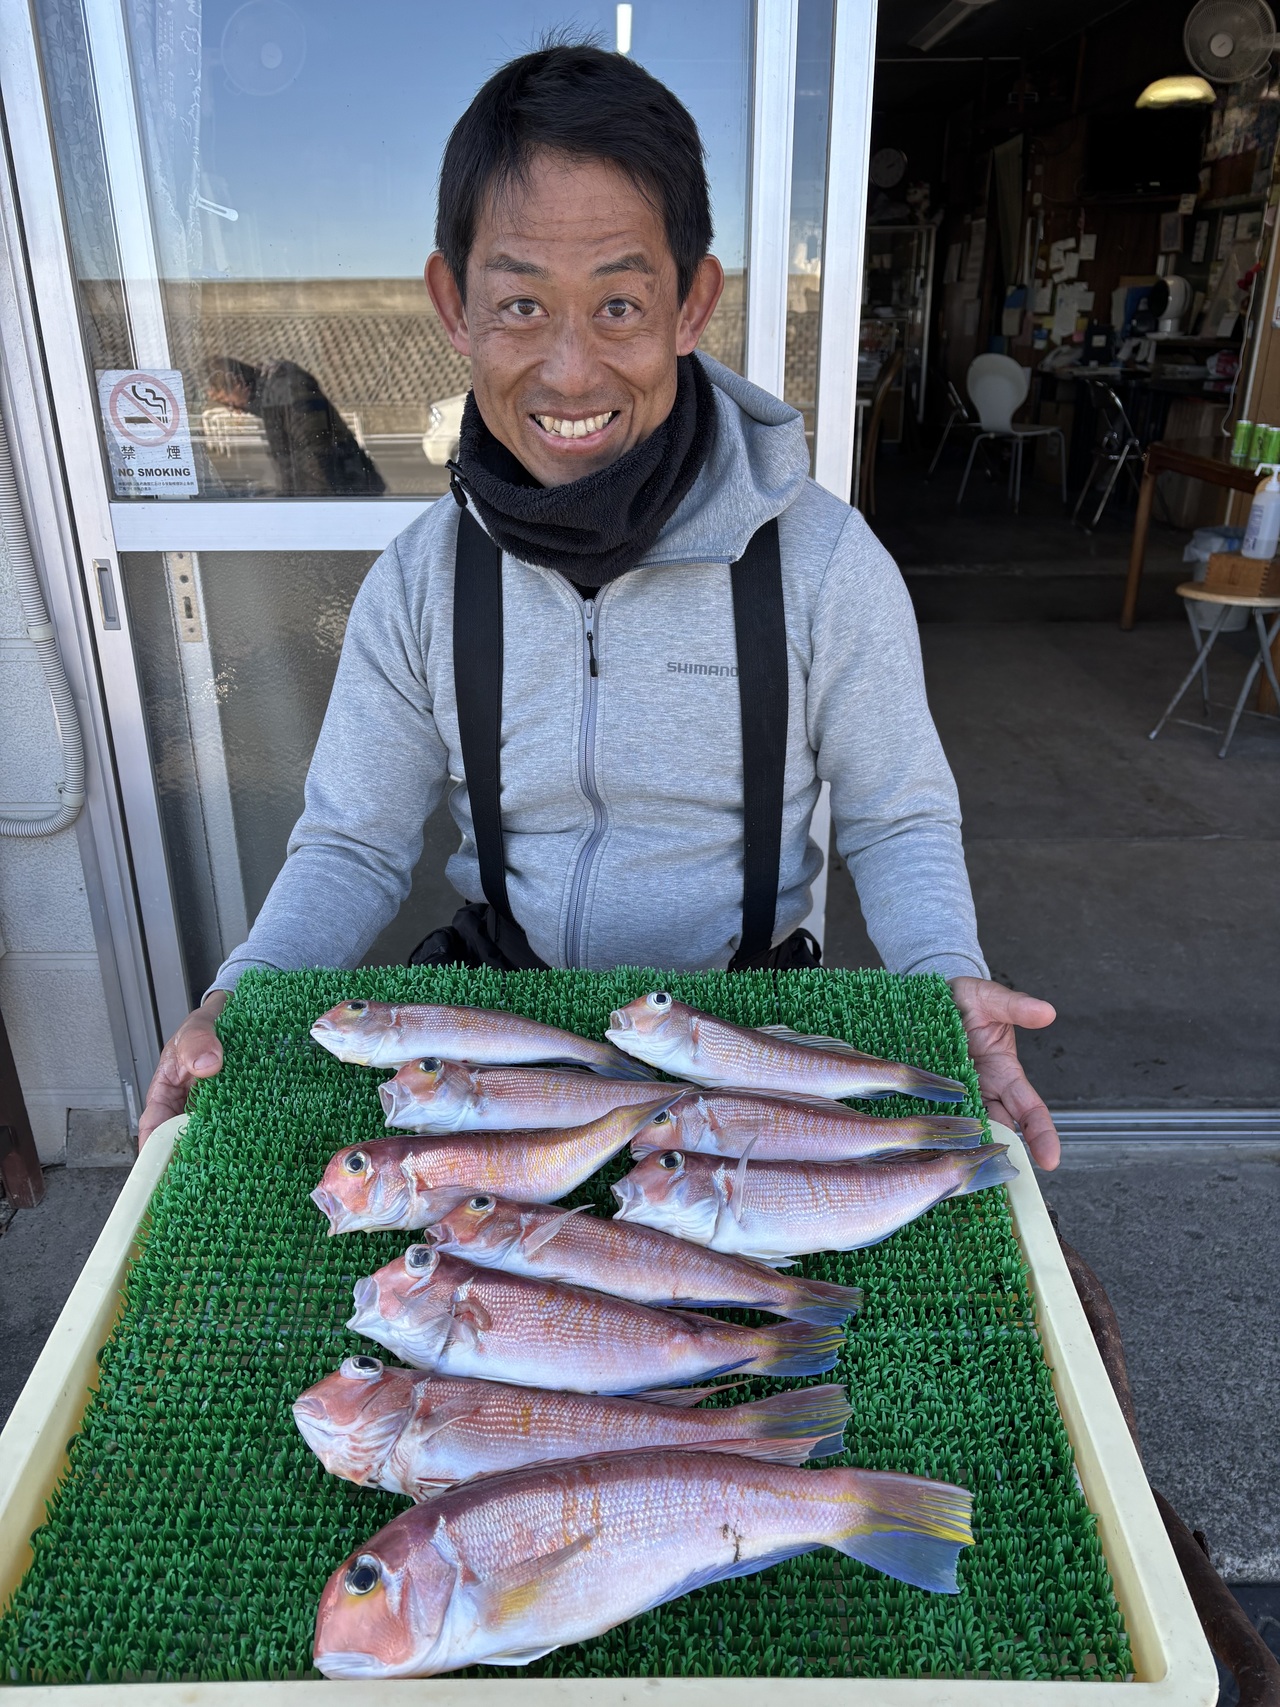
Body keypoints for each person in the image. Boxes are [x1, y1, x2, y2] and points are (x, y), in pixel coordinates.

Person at [141, 45, 1060, 1168]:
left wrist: (946, 977)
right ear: (453, 305)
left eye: (619, 304)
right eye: (521, 304)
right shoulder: (423, 578)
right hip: (497, 1036)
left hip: (740, 1035)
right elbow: (352, 842)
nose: (570, 372)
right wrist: (237, 998)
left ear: (692, 305)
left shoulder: (824, 562)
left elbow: (896, 817)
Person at [204, 356, 387, 496]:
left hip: (345, 491)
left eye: (227, 402)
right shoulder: (273, 396)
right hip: (343, 488)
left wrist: (307, 506)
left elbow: (316, 454)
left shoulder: (285, 395)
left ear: (237, 382)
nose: (234, 411)